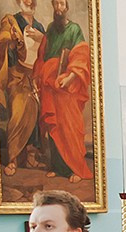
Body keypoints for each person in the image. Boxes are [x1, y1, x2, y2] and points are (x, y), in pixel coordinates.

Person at [36, 0, 93, 182]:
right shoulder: (51, 29)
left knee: (70, 127)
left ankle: (74, 168)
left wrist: (70, 77)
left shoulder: (74, 29)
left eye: (62, 4)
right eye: (56, 4)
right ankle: (58, 168)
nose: (59, 8)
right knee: (55, 127)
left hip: (67, 87)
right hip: (50, 87)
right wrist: (41, 76)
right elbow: (42, 55)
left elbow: (82, 54)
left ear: (67, 7)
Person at [0, 0, 45, 176]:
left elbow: (45, 52)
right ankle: (13, 159)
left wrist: (42, 39)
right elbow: (1, 41)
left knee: (36, 111)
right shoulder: (10, 20)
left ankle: (31, 155)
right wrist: (11, 42)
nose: (29, 2)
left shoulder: (39, 26)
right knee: (18, 110)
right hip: (16, 76)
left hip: (34, 77)